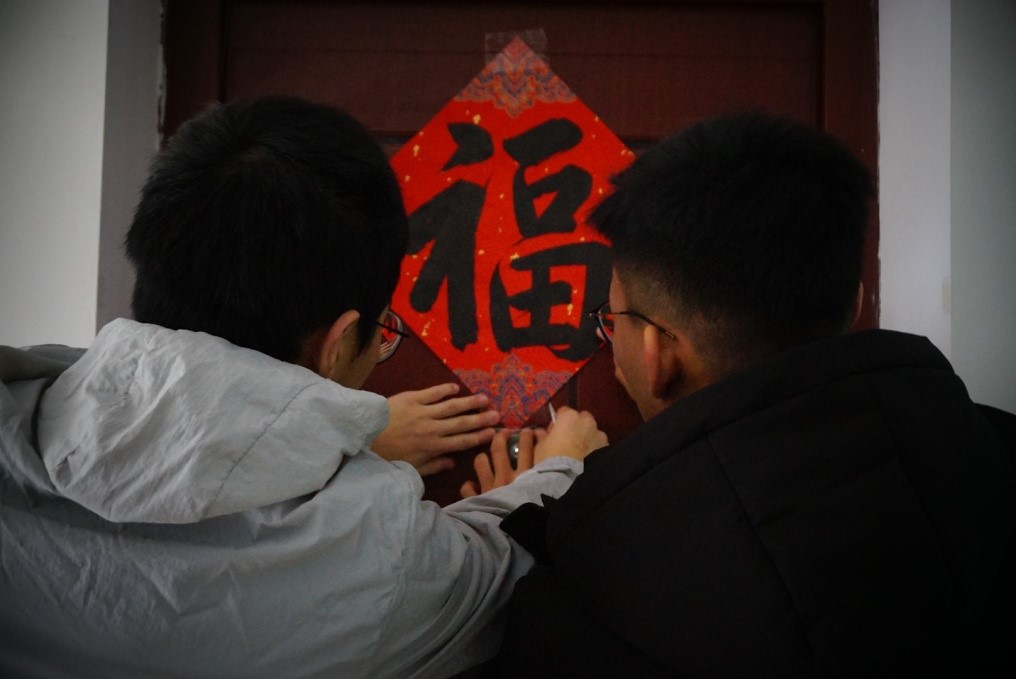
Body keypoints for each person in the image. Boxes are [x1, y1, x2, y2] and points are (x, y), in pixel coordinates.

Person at [0, 95, 606, 677]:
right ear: (338, 343)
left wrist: (346, 449)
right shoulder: (382, 563)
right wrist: (561, 473)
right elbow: (504, 578)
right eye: (383, 333)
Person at [490, 112, 1016, 676]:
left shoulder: (592, 592)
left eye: (611, 319)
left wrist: (524, 501)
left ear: (654, 354)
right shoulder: (994, 451)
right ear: (855, 302)